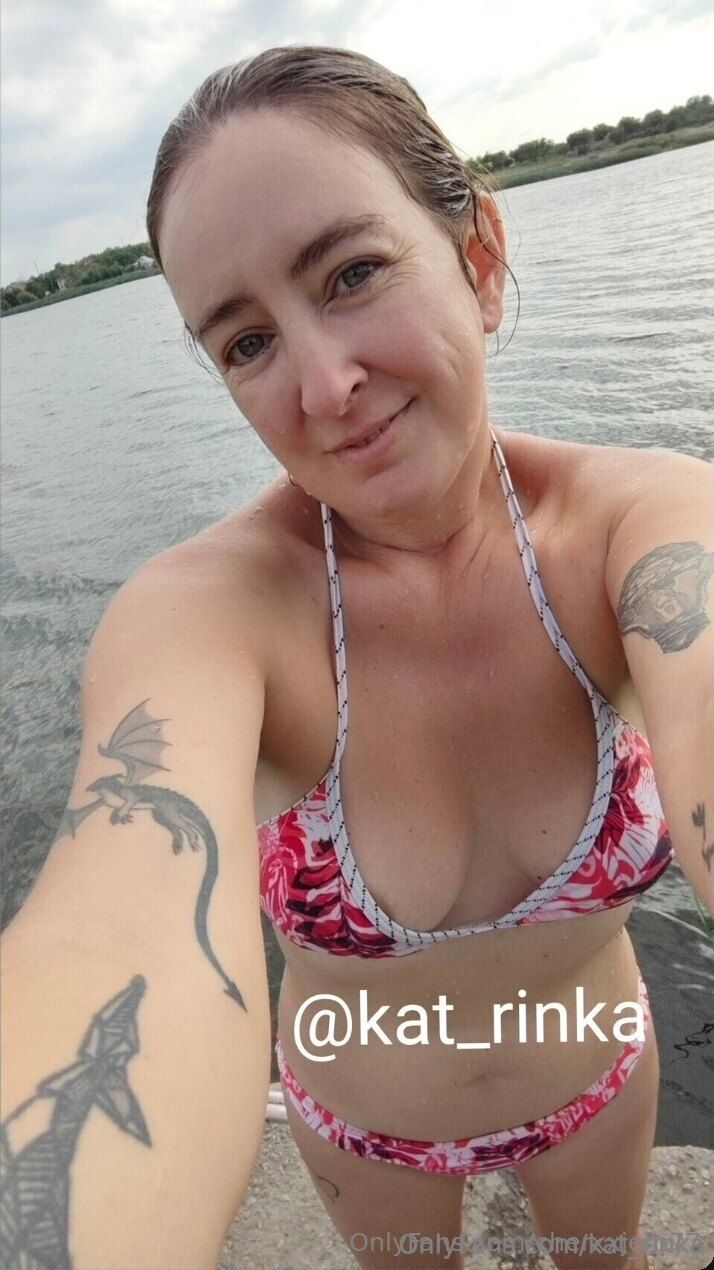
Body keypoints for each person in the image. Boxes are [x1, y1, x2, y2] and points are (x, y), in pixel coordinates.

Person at [2, 44, 712, 1270]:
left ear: (479, 257)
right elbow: (121, 929)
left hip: (597, 1088)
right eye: (246, 343)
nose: (324, 386)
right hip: (365, 1133)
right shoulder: (211, 616)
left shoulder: (641, 532)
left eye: (352, 272)